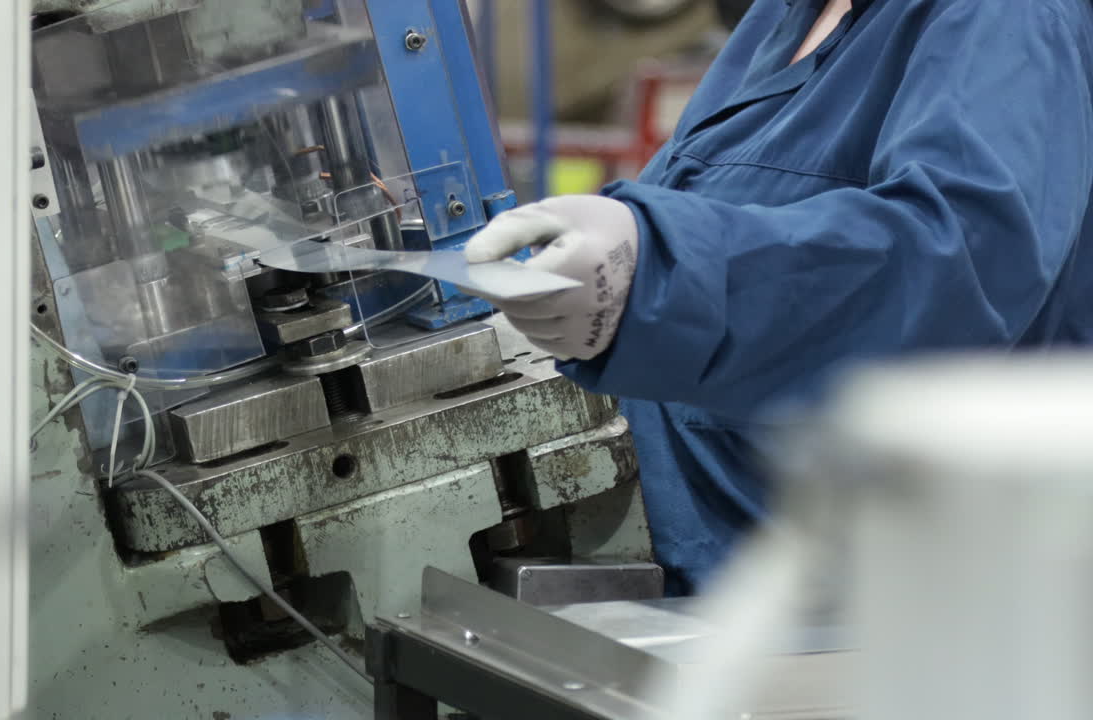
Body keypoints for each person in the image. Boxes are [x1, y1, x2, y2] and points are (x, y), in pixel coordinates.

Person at [464, 0, 1093, 595]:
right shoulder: (791, 15)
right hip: (710, 560)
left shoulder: (1008, 16)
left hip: (861, 602)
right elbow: (707, 200)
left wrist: (652, 272)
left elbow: (956, 265)